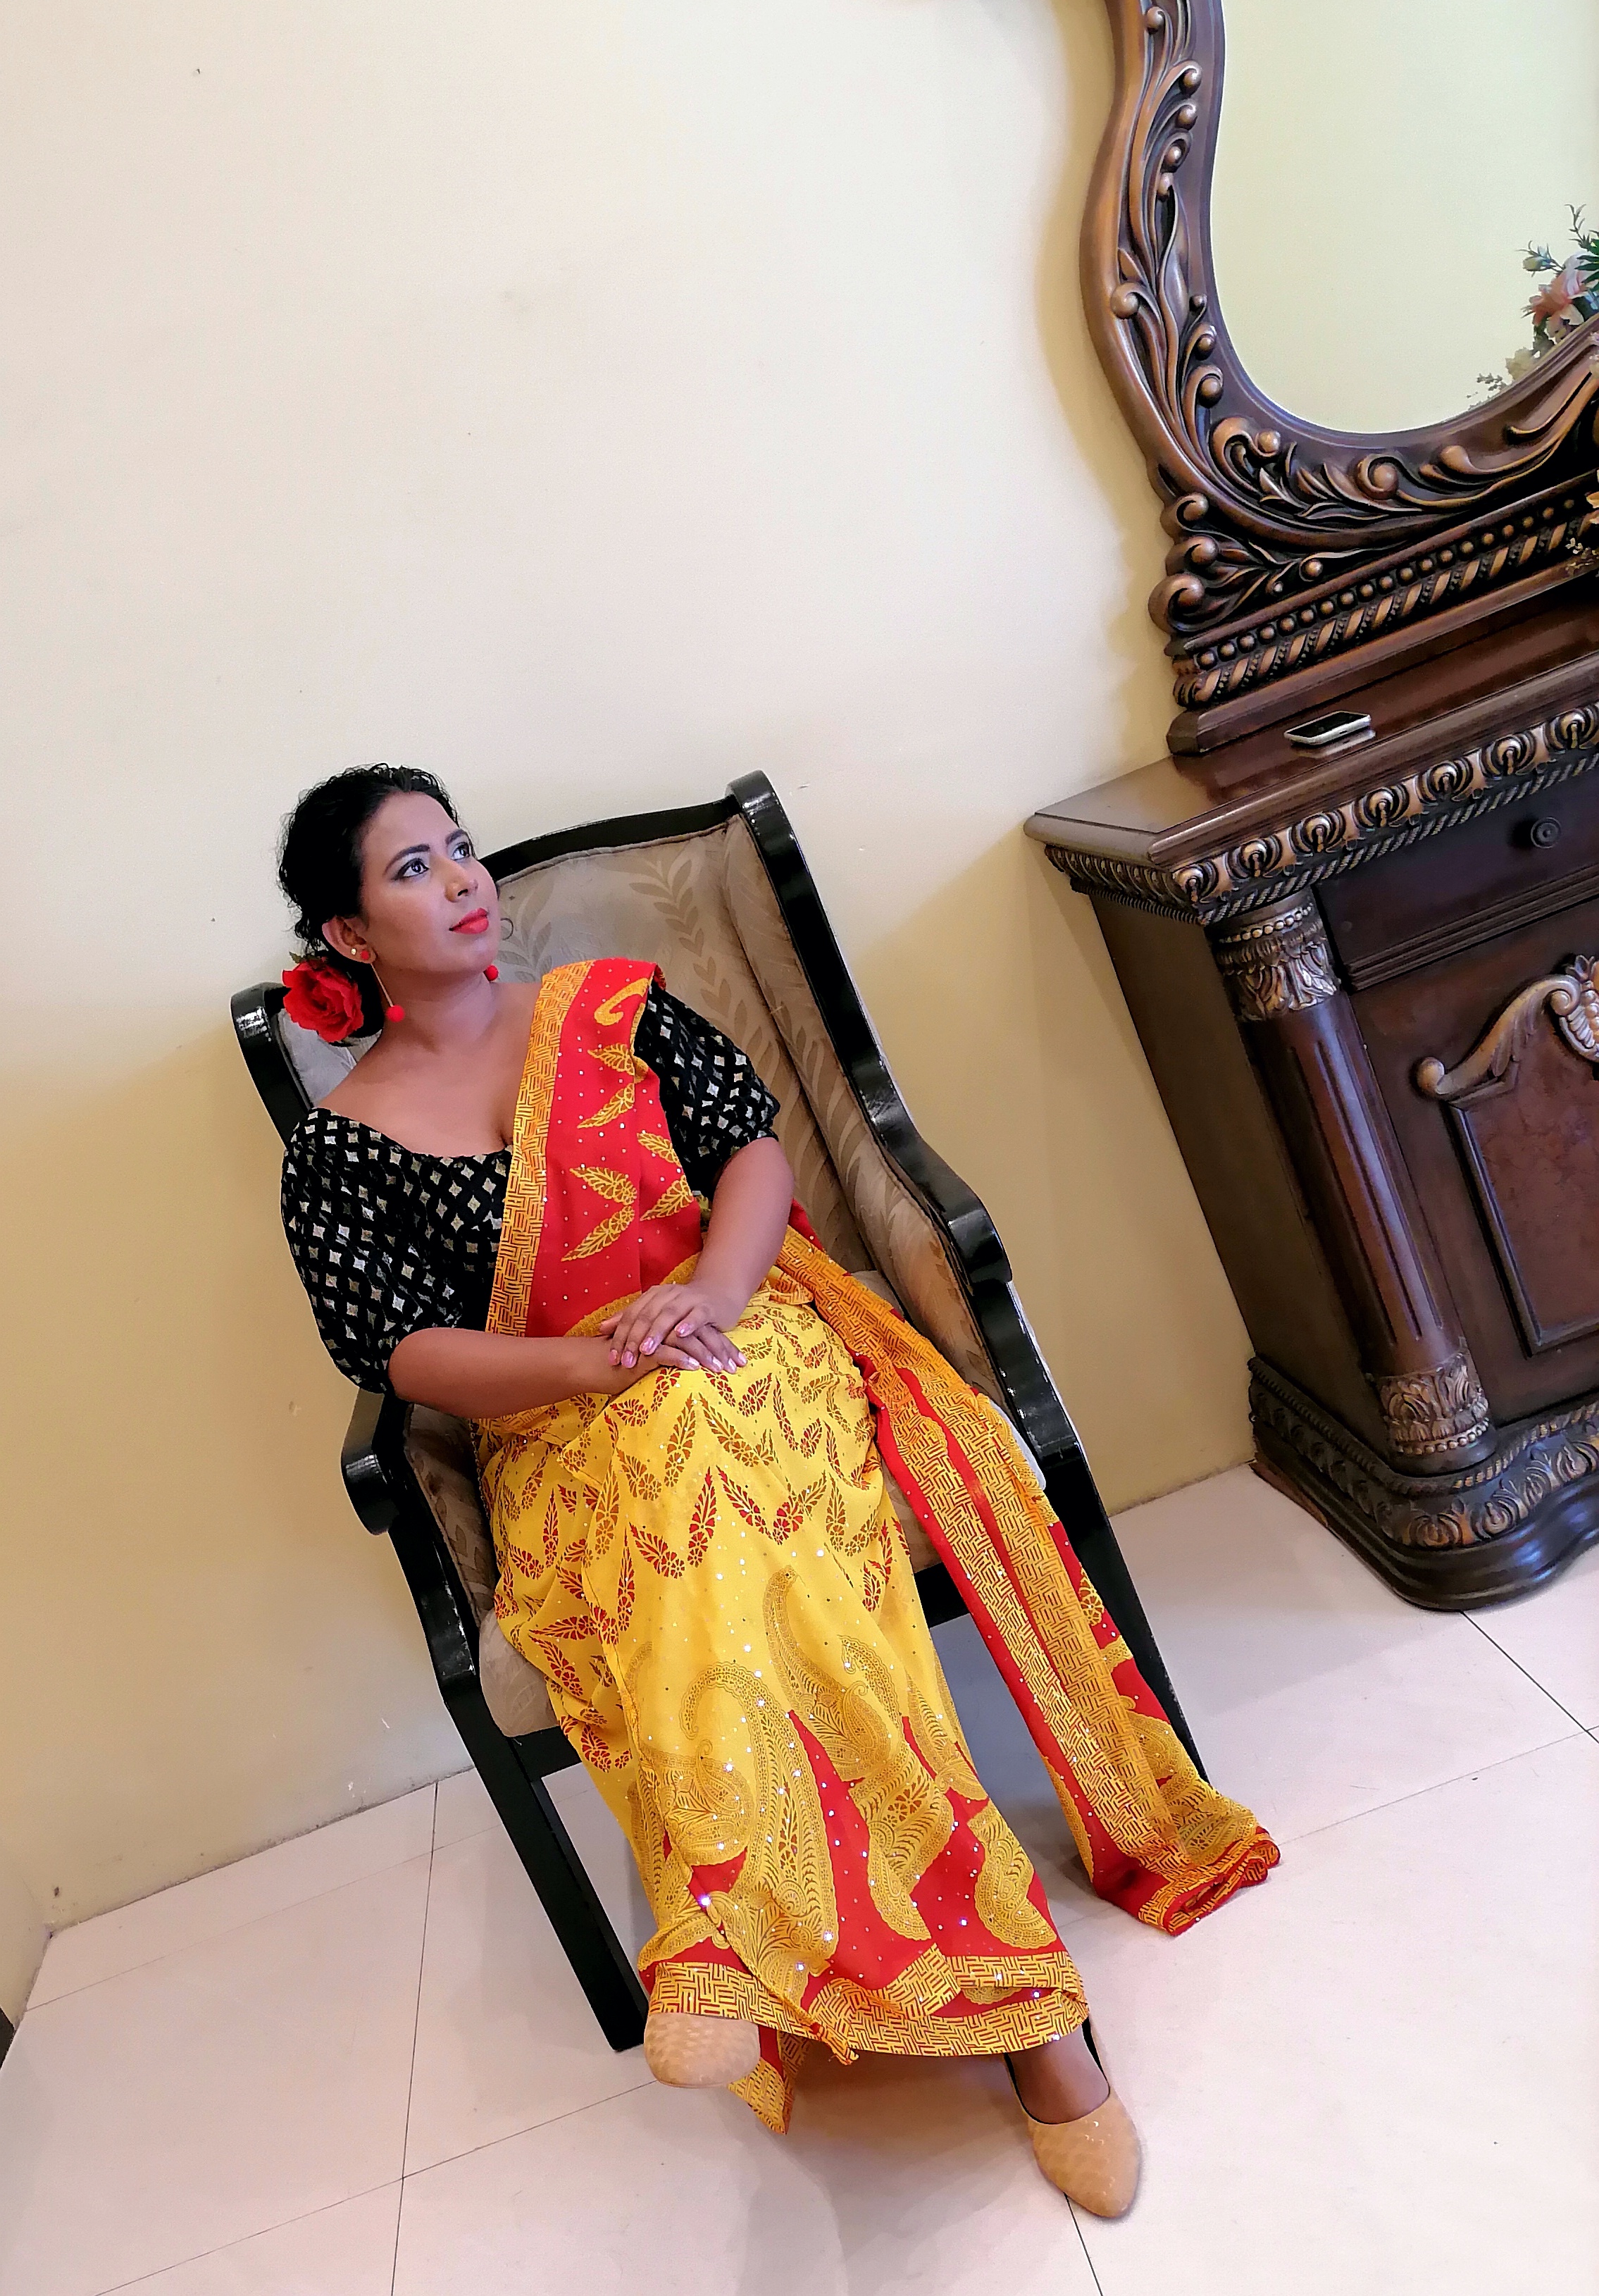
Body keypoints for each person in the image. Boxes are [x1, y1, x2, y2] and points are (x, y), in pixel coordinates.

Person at [275, 763, 1277, 2217]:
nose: (462, 880)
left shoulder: (615, 1013)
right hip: (559, 1424)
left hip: (746, 1337)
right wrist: (591, 1364)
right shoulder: (340, 1150)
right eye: (412, 869)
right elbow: (403, 1350)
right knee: (713, 1529)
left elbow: (749, 1154)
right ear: (348, 935)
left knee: (704, 1447)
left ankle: (724, 1938)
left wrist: (704, 1304)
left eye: (460, 849)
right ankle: (1035, 2032)